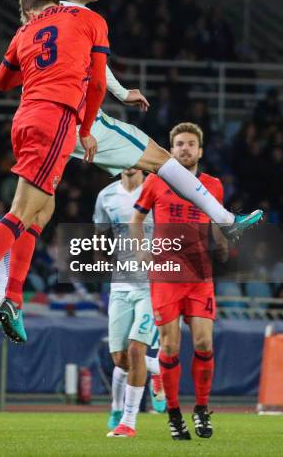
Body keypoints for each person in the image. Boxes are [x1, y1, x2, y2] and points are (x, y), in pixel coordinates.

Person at [0, 0, 262, 342]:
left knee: (32, 212)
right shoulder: (79, 17)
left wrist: (120, 89)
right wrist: (90, 122)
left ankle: (2, 296)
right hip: (77, 118)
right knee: (162, 160)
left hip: (36, 120)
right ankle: (225, 220)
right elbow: (94, 72)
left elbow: (30, 74)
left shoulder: (37, 27)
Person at [0, 0, 109, 339]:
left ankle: (13, 299)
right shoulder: (80, 22)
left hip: (27, 117)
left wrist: (32, 63)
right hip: (57, 117)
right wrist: (86, 128)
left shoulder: (24, 32)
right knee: (21, 211)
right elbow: (96, 84)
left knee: (41, 212)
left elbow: (1, 81)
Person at [131, 122, 229, 440]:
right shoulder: (155, 181)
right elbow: (137, 219)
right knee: (171, 346)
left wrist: (222, 242)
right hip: (167, 275)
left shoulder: (214, 185)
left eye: (190, 144)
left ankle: (201, 410)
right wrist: (141, 249)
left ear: (200, 151)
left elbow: (214, 220)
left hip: (200, 274)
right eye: (179, 144)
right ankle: (174, 413)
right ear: (171, 150)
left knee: (203, 343)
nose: (184, 149)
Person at [92, 169, 164, 438]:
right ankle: (158, 369)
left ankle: (128, 421)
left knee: (136, 350)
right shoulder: (106, 195)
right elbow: (100, 231)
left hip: (152, 284)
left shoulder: (157, 190)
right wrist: (100, 258)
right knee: (120, 359)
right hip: (120, 284)